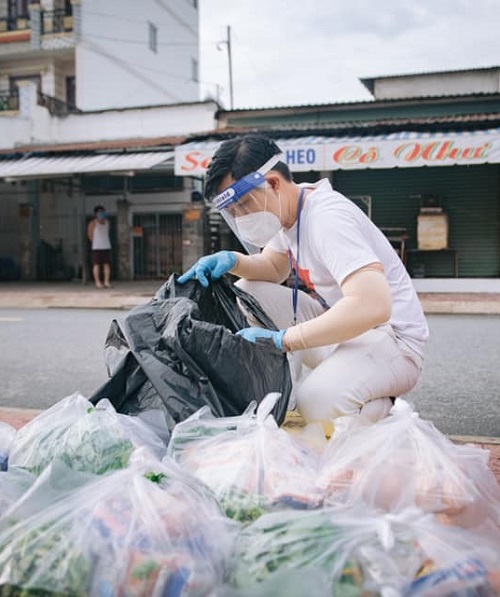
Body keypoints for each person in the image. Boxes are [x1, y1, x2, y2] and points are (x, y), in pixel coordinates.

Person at [178, 134, 429, 428]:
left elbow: (373, 305)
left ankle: (382, 408)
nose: (241, 216)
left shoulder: (326, 218)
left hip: (392, 340)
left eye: (243, 204)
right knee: (248, 291)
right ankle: (283, 388)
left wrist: (282, 340)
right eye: (233, 212)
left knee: (316, 404)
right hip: (347, 331)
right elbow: (274, 268)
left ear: (272, 183)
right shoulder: (285, 213)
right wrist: (233, 261)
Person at [87, 205, 112, 289]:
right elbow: (90, 235)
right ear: (96, 214)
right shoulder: (93, 223)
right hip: (96, 247)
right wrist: (95, 242)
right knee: (96, 265)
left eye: (102, 212)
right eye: (99, 212)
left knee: (106, 265)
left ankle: (106, 282)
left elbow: (107, 232)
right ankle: (97, 282)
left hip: (106, 245)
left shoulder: (107, 222)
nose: (101, 214)